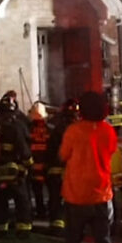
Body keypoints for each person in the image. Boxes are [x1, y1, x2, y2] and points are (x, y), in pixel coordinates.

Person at [60, 91, 118, 243]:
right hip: (100, 194)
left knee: (73, 242)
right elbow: (111, 152)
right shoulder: (108, 131)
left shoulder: (73, 131)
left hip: (75, 195)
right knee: (103, 241)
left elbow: (63, 155)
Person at [0, 92, 33, 236]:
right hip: (14, 170)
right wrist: (28, 164)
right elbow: (23, 148)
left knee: (0, 200)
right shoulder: (16, 126)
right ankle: (23, 230)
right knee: (22, 200)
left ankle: (0, 228)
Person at [46, 98, 79, 231]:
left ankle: (57, 223)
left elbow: (51, 150)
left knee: (56, 197)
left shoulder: (57, 129)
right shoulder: (78, 130)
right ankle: (72, 223)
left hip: (56, 170)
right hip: (71, 171)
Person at [27, 102, 51, 219]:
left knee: (37, 191)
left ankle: (40, 211)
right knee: (52, 191)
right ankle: (51, 210)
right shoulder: (50, 129)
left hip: (33, 165)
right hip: (48, 165)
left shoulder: (27, 129)